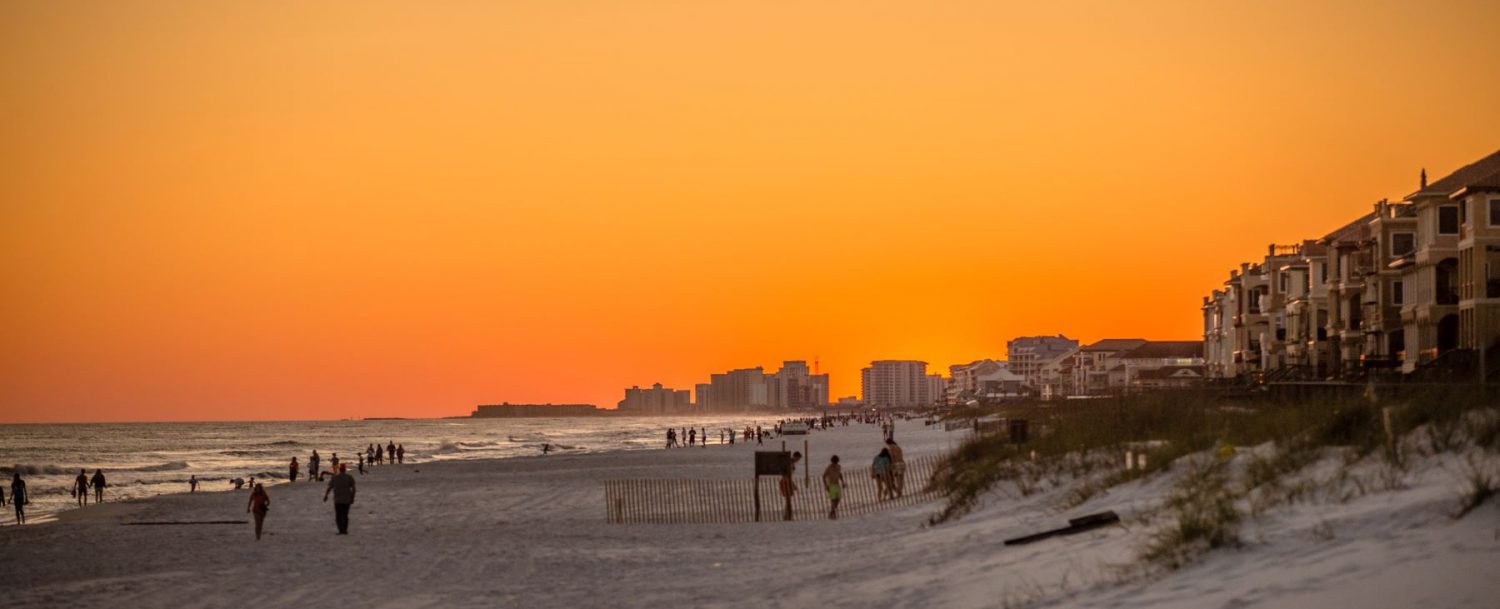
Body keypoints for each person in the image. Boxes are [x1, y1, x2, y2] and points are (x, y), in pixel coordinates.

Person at [323, 463, 357, 534]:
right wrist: (352, 497)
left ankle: (341, 530)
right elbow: (353, 489)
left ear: (339, 469)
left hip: (338, 499)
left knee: (338, 515)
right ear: (345, 469)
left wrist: (326, 496)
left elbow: (329, 488)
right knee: (345, 515)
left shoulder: (335, 477)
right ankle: (345, 529)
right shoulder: (349, 477)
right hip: (347, 499)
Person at [823, 455, 844, 520]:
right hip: (831, 485)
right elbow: (824, 476)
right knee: (833, 499)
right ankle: (832, 513)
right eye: (834, 462)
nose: (835, 463)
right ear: (832, 462)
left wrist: (843, 482)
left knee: (838, 498)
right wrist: (826, 485)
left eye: (836, 462)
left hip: (837, 484)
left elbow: (840, 474)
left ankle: (832, 512)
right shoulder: (829, 468)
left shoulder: (839, 466)